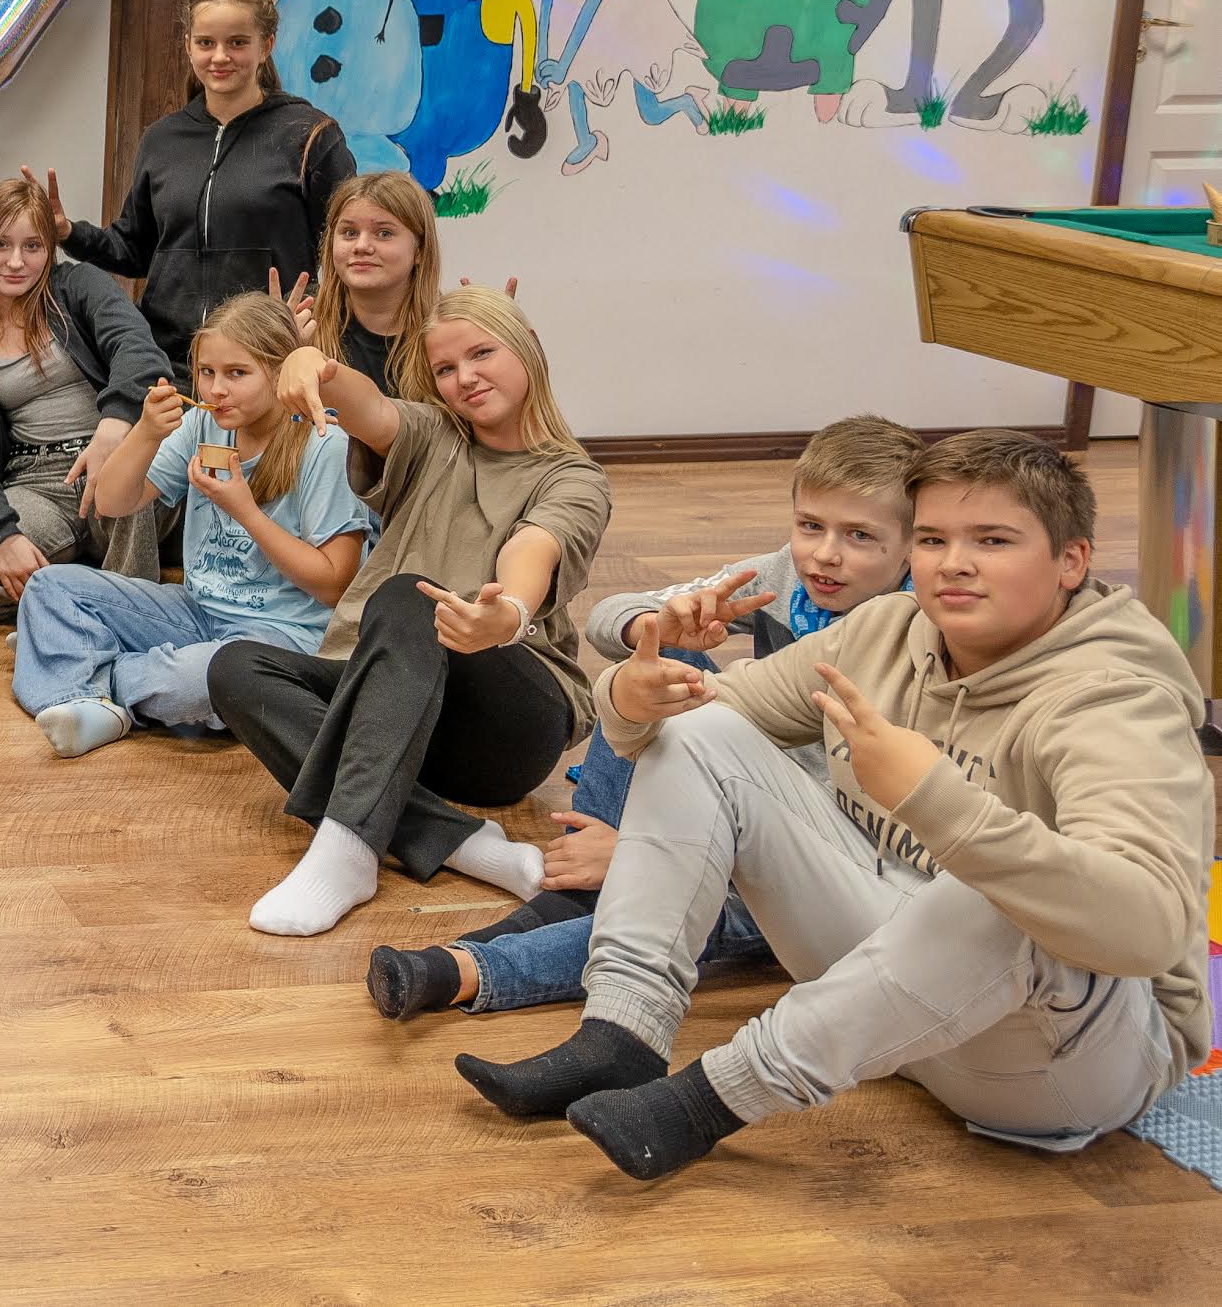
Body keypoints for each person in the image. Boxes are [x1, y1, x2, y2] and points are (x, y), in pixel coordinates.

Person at [461, 432, 1213, 1184]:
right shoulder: (890, 630)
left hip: (1064, 1065)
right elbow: (703, 716)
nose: (954, 561)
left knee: (996, 889)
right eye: (933, 537)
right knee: (701, 731)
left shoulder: (1116, 695)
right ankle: (619, 1032)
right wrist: (630, 694)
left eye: (993, 539)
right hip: (889, 1008)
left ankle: (709, 1099)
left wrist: (939, 802)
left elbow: (1150, 925)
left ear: (1071, 561)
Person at [365, 414, 921, 1022]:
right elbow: (609, 618)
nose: (826, 554)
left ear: (913, 546)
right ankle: (589, 873)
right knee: (662, 661)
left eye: (861, 537)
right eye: (810, 525)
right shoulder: (784, 575)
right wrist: (658, 624)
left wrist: (642, 851)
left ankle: (471, 968)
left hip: (821, 853)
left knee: (685, 909)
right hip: (739, 782)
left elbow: (858, 816)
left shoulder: (918, 637)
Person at [206, 287, 611, 937]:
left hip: (506, 718)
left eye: (482, 353)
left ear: (529, 345)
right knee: (235, 666)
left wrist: (504, 612)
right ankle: (459, 841)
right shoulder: (431, 433)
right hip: (397, 709)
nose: (464, 378)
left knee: (406, 596)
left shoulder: (574, 477)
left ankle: (348, 849)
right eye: (446, 368)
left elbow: (533, 550)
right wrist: (317, 367)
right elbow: (367, 405)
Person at [11, 294, 370, 757]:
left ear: (280, 372)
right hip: (198, 611)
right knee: (48, 589)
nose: (216, 389)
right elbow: (115, 502)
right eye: (207, 373)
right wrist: (145, 432)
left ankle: (78, 665)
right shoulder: (204, 423)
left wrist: (245, 511)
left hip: (280, 636)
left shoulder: (324, 442)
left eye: (237, 374)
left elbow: (334, 584)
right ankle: (86, 680)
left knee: (203, 679)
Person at [25, 0, 353, 387]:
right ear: (188, 46)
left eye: (237, 42)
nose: (220, 56)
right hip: (168, 368)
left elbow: (346, 253)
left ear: (266, 46)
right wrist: (68, 232)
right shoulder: (161, 139)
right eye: (205, 43)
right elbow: (135, 249)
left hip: (267, 365)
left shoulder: (310, 135)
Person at [0, 176, 170, 625]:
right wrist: (2, 536)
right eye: (1, 244)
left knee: (129, 471)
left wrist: (115, 424)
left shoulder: (76, 286)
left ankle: (130, 618)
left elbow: (139, 350)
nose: (16, 262)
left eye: (32, 246)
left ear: (49, 249)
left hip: (115, 454)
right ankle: (89, 585)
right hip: (40, 482)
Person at [299, 172, 444, 399]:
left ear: (420, 250)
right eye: (349, 233)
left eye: (384, 233)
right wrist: (277, 354)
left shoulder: (447, 330)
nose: (362, 246)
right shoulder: (301, 315)